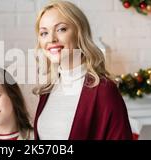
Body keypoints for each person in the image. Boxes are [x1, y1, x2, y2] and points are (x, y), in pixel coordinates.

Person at [33, 0, 132, 140]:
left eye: (61, 29)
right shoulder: (48, 89)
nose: (51, 39)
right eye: (44, 33)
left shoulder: (104, 91)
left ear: (80, 33)